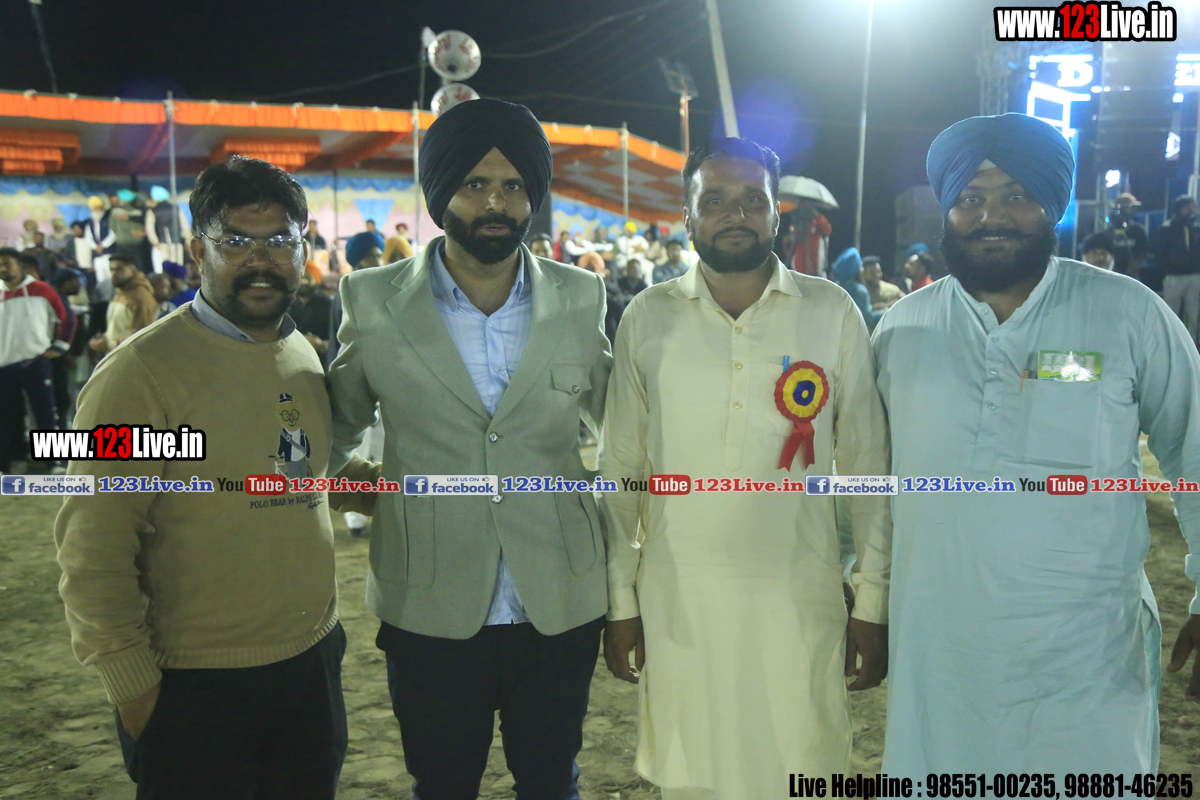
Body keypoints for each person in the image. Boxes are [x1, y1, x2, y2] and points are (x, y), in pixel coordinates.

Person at [874, 112, 1200, 776]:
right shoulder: (900, 330)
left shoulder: (1128, 312)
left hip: (1086, 652)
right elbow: (871, 482)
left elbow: (1193, 450)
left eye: (1017, 195)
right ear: (948, 211)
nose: (992, 216)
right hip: (939, 646)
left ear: (1051, 205)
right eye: (970, 197)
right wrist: (866, 598)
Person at [54, 156, 368, 800]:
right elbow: (92, 548)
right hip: (193, 686)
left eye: (279, 240)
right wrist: (137, 694)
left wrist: (397, 488)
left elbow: (298, 473)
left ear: (303, 250)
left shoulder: (298, 351)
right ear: (198, 250)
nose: (261, 260)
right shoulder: (137, 376)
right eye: (236, 241)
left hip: (310, 665)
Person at [327, 98, 612, 800]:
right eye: (475, 183)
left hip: (559, 598)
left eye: (513, 186)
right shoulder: (372, 299)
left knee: (552, 782)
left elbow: (627, 425)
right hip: (429, 602)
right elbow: (328, 428)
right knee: (443, 784)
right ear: (440, 192)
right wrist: (358, 484)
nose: (496, 203)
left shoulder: (581, 297)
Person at [601, 137, 890, 800]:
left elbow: (868, 467)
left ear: (776, 213)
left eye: (753, 200)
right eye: (715, 200)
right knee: (693, 778)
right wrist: (621, 601)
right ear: (687, 215)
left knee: (801, 770)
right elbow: (619, 469)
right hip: (679, 604)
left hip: (800, 601)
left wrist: (872, 601)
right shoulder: (648, 317)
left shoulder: (831, 312)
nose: (736, 214)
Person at [0, 247, 70, 473]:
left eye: (7, 263)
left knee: (45, 412)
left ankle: (53, 462)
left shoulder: (42, 290)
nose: (3, 268)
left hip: (36, 362)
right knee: (7, 416)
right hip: (4, 365)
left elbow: (66, 319)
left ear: (19, 265)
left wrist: (60, 347)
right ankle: (10, 462)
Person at [88, 254, 158, 356]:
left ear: (133, 271)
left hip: (132, 360)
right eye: (111, 269)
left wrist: (109, 344)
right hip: (118, 356)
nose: (113, 273)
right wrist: (104, 338)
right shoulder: (120, 292)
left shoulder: (140, 297)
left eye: (119, 269)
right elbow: (120, 330)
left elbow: (144, 338)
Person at [1158, 195, 1200, 347]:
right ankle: (1171, 344)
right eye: (1193, 205)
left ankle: (1191, 345)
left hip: (1194, 275)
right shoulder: (1168, 227)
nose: (1196, 208)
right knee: (1171, 313)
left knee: (1193, 314)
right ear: (1184, 207)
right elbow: (1161, 252)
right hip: (1174, 276)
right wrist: (1164, 272)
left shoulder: (1196, 226)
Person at [832, 247, 882, 329]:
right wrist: (882, 313)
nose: (862, 270)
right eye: (860, 266)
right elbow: (867, 319)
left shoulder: (835, 288)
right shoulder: (859, 291)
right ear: (854, 269)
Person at [290, 260, 332, 358]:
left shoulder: (328, 305)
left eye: (308, 278)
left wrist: (321, 344)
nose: (304, 281)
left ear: (316, 279)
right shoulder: (288, 304)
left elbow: (340, 341)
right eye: (301, 278)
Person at [1106, 192, 1149, 277]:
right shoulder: (1109, 232)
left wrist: (1135, 264)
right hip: (1112, 274)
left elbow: (1144, 252)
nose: (1125, 213)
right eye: (1122, 209)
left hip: (1132, 275)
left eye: (1128, 209)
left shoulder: (1139, 231)